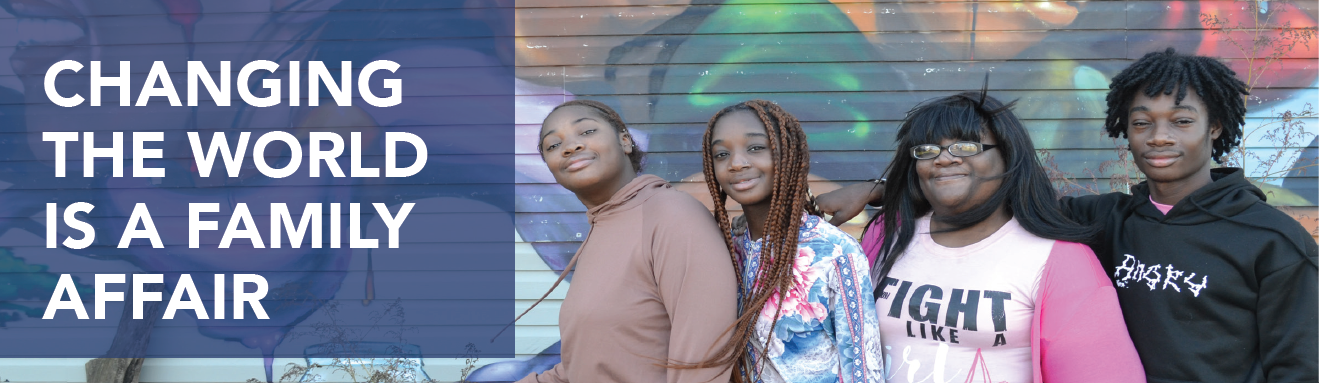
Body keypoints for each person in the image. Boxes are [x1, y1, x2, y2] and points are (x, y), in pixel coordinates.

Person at [820, 49, 1319, 382]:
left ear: (1216, 129)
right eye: (1141, 123)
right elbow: (988, 188)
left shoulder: (1271, 240)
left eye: (1182, 122)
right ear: (1124, 130)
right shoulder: (1105, 218)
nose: (1159, 137)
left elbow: (1297, 365)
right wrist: (879, 189)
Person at [862, 91, 1145, 382]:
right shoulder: (886, 235)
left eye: (965, 146)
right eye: (928, 149)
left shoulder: (1059, 260)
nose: (944, 159)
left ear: (1007, 155)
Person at [515, 99, 738, 383]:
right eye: (553, 145)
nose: (570, 147)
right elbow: (585, 368)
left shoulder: (670, 213)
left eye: (586, 132)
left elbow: (704, 359)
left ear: (625, 141)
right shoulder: (601, 228)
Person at [702, 100, 883, 383]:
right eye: (721, 154)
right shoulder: (728, 248)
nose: (736, 163)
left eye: (755, 148)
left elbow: (863, 368)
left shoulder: (834, 251)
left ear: (788, 154)